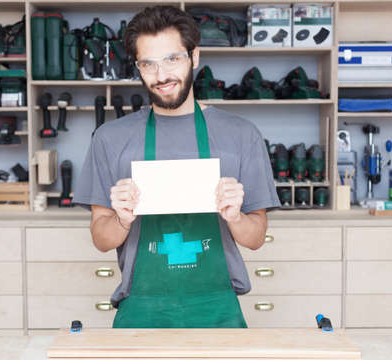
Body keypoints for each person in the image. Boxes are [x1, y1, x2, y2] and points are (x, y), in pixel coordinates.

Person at [73, 5, 280, 328]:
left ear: (194, 57)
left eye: (172, 59)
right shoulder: (109, 139)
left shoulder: (241, 136)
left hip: (218, 309)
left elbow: (255, 238)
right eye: (148, 64)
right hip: (140, 309)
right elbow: (101, 239)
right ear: (137, 67)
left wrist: (236, 217)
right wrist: (122, 221)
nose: (161, 75)